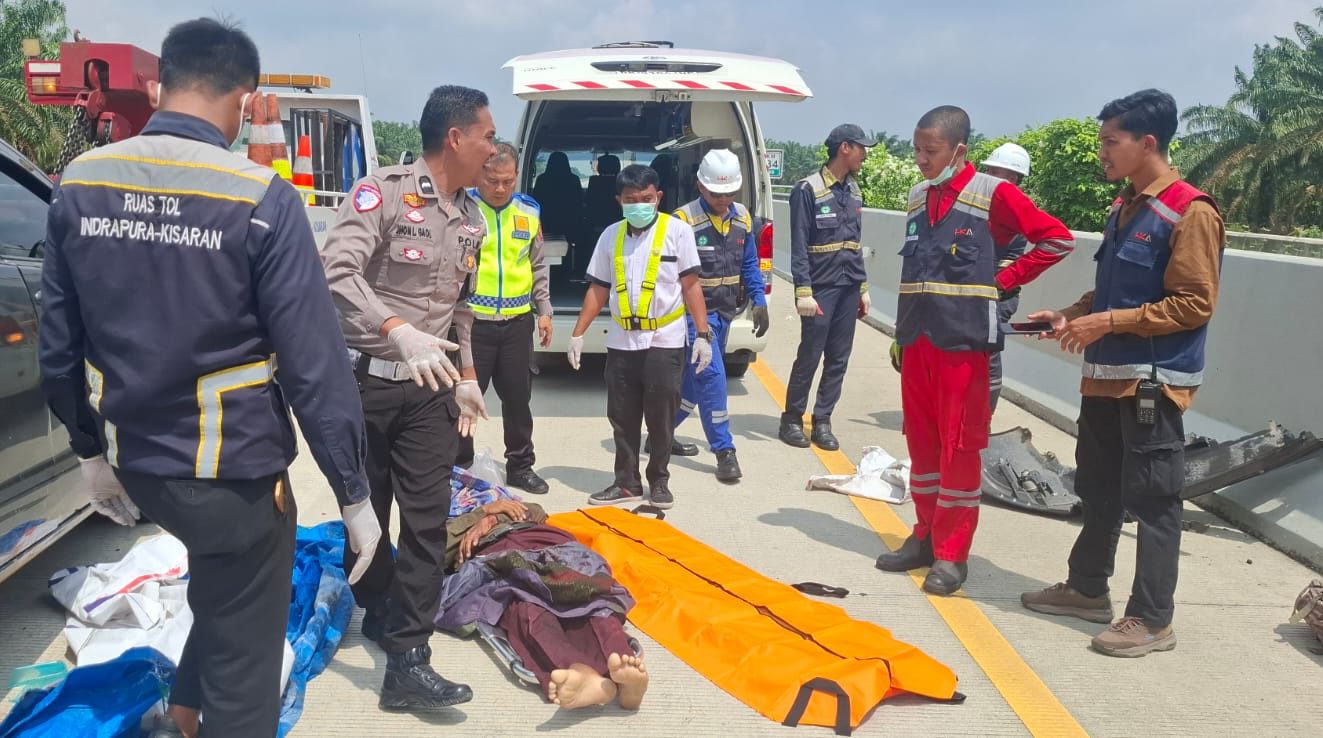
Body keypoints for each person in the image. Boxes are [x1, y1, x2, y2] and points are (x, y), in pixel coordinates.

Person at [37, 18, 380, 737]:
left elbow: (60, 344)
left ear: (161, 85)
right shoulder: (260, 197)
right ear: (245, 100)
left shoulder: (81, 185)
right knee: (248, 663)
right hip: (234, 475)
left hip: (141, 468)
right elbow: (314, 365)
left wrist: (88, 453)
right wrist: (351, 490)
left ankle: (183, 714)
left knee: (220, 589)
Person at [1020, 89, 1224, 657]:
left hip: (1152, 384)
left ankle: (1152, 619)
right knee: (1098, 489)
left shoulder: (1190, 210)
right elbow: (1110, 290)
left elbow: (1194, 304)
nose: (1103, 153)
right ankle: (1087, 590)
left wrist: (1107, 321)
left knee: (1155, 500)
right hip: (1106, 377)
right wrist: (1073, 316)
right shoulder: (1126, 207)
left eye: (1112, 141)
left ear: (1148, 142)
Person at [322, 84, 495, 711]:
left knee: (425, 522)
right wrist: (395, 330)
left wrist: (468, 375)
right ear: (455, 138)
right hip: (364, 384)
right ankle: (375, 607)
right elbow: (335, 272)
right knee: (364, 513)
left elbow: (460, 310)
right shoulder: (384, 193)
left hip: (431, 394)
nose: (492, 147)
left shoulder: (470, 217)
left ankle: (408, 660)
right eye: (487, 134)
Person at [875, 106, 1075, 596]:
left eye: (931, 151)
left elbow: (1057, 239)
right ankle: (923, 535)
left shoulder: (994, 194)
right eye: (917, 150)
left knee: (959, 450)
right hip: (918, 339)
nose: (921, 160)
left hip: (964, 345)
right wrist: (901, 338)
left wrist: (1001, 281)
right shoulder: (918, 197)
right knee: (921, 445)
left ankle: (951, 555)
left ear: (959, 150)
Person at [567, 164, 713, 510]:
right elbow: (598, 289)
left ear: (658, 197)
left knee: (661, 416)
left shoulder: (677, 232)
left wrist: (703, 334)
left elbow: (691, 286)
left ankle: (659, 480)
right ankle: (626, 482)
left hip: (665, 340)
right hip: (621, 341)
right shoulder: (610, 236)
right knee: (622, 416)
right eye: (631, 200)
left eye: (646, 199)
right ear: (619, 200)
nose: (639, 205)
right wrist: (577, 333)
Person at [435, 499, 649, 711]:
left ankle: (625, 677)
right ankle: (579, 672)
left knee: (589, 594)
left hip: (548, 543)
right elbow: (435, 550)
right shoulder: (434, 514)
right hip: (497, 555)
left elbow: (536, 511)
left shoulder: (490, 491)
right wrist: (482, 513)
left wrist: (494, 516)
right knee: (523, 606)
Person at [455, 142, 552, 494]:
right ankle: (459, 464)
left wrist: (544, 311)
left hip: (516, 323)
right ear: (479, 172)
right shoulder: (460, 207)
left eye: (507, 181)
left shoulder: (529, 211)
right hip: (471, 324)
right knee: (464, 400)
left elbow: (537, 265)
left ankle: (521, 466)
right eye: (493, 180)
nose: (500, 188)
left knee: (517, 399)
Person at [668, 149, 769, 482]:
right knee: (712, 379)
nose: (723, 199)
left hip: (725, 312)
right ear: (700, 186)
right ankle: (724, 450)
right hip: (695, 316)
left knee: (694, 384)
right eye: (716, 193)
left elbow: (750, 263)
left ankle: (662, 432)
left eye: (729, 193)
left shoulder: (742, 217)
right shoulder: (682, 221)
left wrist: (759, 300)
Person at [779, 124, 875, 451]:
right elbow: (799, 244)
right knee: (810, 353)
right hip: (821, 287)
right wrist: (802, 291)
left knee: (838, 358)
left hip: (848, 285)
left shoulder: (855, 191)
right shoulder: (808, 189)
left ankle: (822, 420)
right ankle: (792, 418)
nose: (866, 154)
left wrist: (863, 287)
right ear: (845, 148)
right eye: (862, 148)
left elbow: (855, 242)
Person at [981, 142, 1034, 412]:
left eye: (994, 171)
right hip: (975, 293)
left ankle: (983, 420)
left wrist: (986, 287)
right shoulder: (981, 203)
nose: (987, 176)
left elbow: (1009, 263)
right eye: (987, 170)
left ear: (1013, 178)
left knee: (989, 353)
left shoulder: (1017, 209)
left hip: (998, 296)